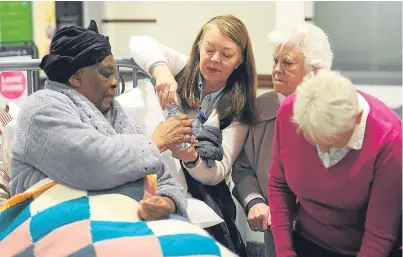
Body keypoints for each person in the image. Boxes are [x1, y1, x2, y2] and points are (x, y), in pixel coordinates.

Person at [9, 20, 193, 220]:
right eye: (106, 75)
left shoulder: (114, 112)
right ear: (76, 77)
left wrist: (166, 201)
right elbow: (89, 162)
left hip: (124, 218)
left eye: (114, 75)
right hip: (60, 222)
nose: (115, 83)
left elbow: (162, 175)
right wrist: (156, 142)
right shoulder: (42, 107)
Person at [129, 15, 258, 256]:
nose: (215, 59)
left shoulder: (236, 108)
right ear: (199, 46)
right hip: (150, 163)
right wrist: (162, 72)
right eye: (208, 49)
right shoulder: (183, 69)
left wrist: (191, 158)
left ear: (239, 60)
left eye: (227, 54)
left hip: (195, 183)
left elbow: (220, 170)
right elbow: (138, 41)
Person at [268, 71, 402, 257]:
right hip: (307, 240)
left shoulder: (390, 140)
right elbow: (279, 185)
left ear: (356, 119)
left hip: (362, 249)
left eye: (331, 142)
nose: (322, 150)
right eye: (314, 140)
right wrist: (284, 251)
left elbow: (379, 235)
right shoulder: (293, 111)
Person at [231, 23, 333, 257]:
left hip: (328, 232)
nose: (277, 69)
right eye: (275, 61)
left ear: (314, 70)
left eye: (287, 63)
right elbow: (243, 167)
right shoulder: (260, 109)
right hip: (277, 229)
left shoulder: (334, 113)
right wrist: (254, 201)